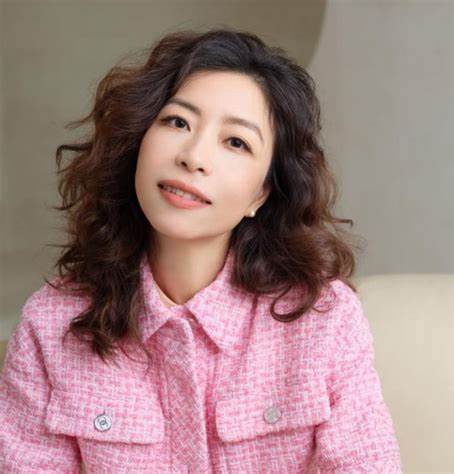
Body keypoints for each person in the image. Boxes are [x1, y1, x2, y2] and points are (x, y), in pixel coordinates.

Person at [0, 27, 403, 473]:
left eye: (236, 142)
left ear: (261, 194)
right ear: (138, 142)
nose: (193, 156)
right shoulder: (51, 324)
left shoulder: (322, 319)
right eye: (177, 122)